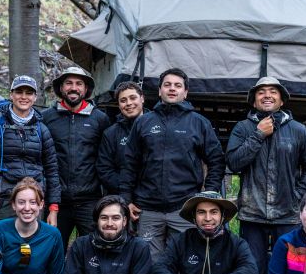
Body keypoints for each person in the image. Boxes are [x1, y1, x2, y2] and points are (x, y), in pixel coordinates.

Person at [225, 76, 306, 274]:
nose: (267, 95)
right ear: (254, 100)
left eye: (272, 92)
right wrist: (257, 135)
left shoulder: (298, 131)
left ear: (281, 98)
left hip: (287, 214)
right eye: (261, 92)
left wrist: (297, 195)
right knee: (253, 269)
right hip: (252, 213)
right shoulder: (243, 129)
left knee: (290, 267)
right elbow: (234, 163)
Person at [120, 68, 225, 261]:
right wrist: (126, 198)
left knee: (186, 262)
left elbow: (216, 160)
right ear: (159, 91)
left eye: (178, 86)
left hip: (184, 207)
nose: (172, 89)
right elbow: (130, 163)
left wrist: (208, 195)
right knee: (150, 263)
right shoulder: (143, 122)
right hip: (148, 209)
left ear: (185, 92)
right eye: (167, 85)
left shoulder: (199, 123)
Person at [0, 75, 61, 220]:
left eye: (29, 93)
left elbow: (52, 170)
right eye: (19, 92)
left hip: (33, 202)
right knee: (1, 242)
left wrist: (53, 208)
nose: (23, 97)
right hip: (2, 201)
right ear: (11, 95)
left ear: (35, 97)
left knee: (30, 242)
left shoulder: (42, 129)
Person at [41, 66, 111, 249]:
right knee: (53, 249)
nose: (74, 88)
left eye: (79, 83)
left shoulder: (100, 119)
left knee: (94, 249)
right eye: (69, 83)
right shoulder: (46, 118)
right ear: (61, 88)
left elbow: (106, 158)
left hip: (89, 199)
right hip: (56, 199)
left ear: (86, 89)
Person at [97, 81, 146, 196]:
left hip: (152, 197)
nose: (128, 103)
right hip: (122, 197)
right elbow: (104, 169)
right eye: (123, 100)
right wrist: (126, 189)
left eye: (133, 98)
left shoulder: (157, 126)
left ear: (142, 98)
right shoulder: (110, 133)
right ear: (119, 105)